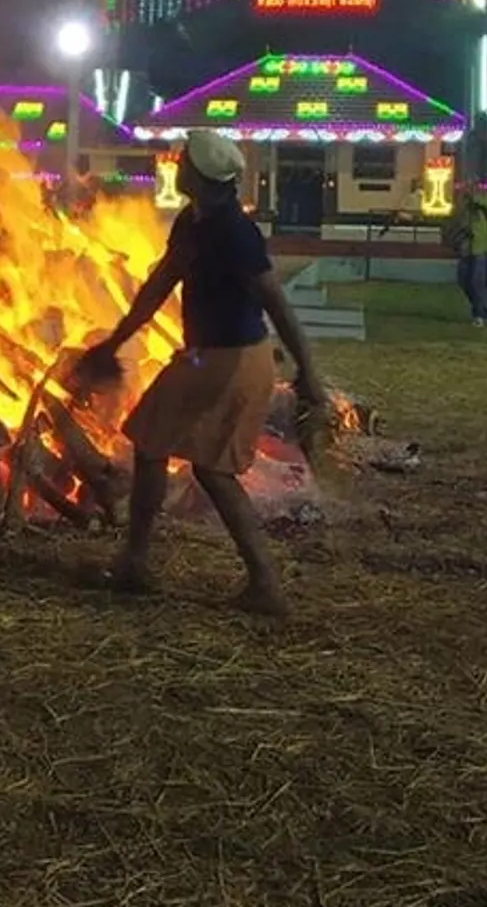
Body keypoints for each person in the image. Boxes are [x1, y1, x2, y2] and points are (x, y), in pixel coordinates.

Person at [71, 128, 326, 617]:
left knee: (206, 468)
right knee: (158, 446)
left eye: (185, 160)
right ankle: (139, 564)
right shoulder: (193, 222)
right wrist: (113, 343)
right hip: (205, 357)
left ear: (204, 176)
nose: (178, 163)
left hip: (231, 360)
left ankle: (258, 583)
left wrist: (308, 373)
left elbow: (276, 303)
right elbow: (159, 285)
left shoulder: (235, 233)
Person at [449, 181, 487, 328]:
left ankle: (479, 314)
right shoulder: (465, 207)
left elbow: (483, 203)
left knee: (477, 282)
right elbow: (459, 222)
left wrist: (473, 196)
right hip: (466, 248)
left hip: (481, 247)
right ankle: (481, 308)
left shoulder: (482, 201)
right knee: (463, 280)